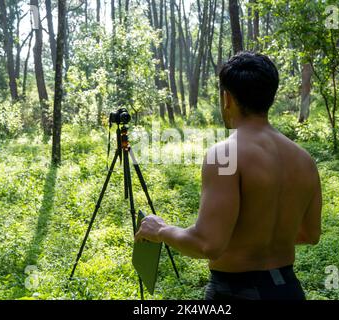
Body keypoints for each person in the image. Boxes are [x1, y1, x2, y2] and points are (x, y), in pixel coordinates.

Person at [134, 51, 322, 300]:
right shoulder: (304, 159)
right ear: (270, 96)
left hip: (235, 292)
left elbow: (208, 244)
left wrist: (161, 230)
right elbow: (310, 235)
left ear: (227, 98)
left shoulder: (225, 154)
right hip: (288, 290)